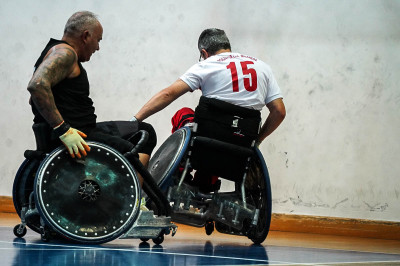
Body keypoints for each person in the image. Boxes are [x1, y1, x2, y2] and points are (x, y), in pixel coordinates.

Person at [27, 11, 157, 186]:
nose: (98, 47)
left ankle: (135, 197)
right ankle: (130, 203)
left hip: (85, 129)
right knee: (131, 150)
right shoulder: (66, 53)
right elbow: (37, 86)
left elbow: (36, 97)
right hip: (81, 135)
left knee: (145, 130)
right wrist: (63, 130)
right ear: (86, 36)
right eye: (98, 40)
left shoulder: (53, 51)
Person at [134, 28, 285, 147]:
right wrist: (257, 141)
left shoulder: (207, 65)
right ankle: (206, 181)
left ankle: (180, 174)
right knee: (215, 131)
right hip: (243, 139)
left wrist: (135, 120)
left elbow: (168, 94)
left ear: (204, 53)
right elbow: (279, 112)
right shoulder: (263, 67)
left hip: (209, 136)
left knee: (183, 114)